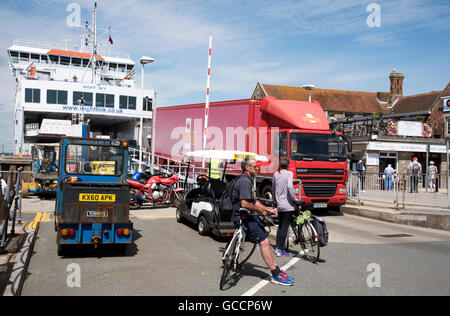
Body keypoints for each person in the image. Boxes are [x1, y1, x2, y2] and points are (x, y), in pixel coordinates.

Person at [231, 157, 294, 286]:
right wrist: (259, 211)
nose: (257, 168)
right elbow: (245, 203)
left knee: (266, 239)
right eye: (255, 166)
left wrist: (268, 210)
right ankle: (275, 275)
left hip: (248, 214)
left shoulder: (248, 180)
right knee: (264, 242)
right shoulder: (245, 182)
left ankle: (276, 269)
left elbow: (255, 201)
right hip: (242, 216)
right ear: (247, 168)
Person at [272, 157, 297, 257]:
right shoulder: (289, 174)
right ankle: (279, 249)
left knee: (280, 226)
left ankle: (277, 246)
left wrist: (275, 200)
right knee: (285, 227)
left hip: (279, 205)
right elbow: (290, 187)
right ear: (288, 165)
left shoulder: (275, 175)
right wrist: (294, 199)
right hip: (288, 205)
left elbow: (273, 188)